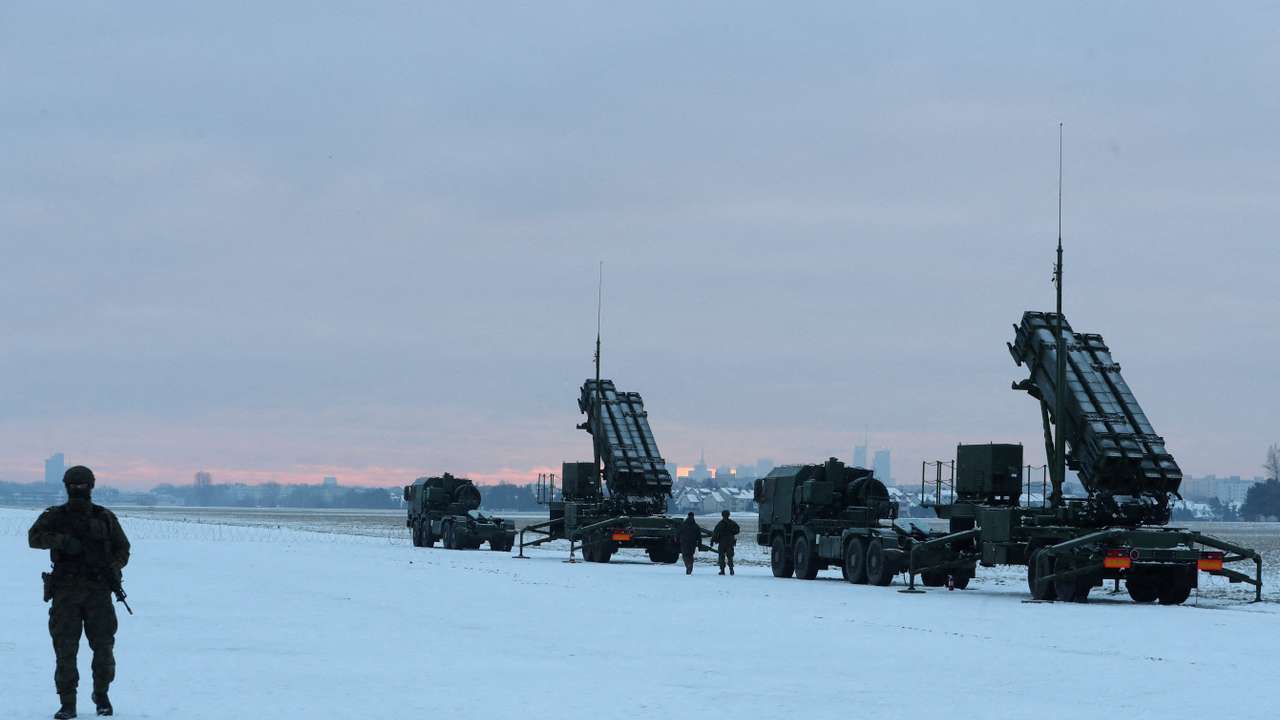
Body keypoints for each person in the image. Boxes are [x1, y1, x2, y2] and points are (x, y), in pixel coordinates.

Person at [28, 466, 131, 719]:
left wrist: (111, 568)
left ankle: (102, 695)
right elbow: (34, 538)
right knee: (65, 650)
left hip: (98, 592)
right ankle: (68, 702)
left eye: (82, 485)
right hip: (66, 593)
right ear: (67, 487)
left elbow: (123, 549)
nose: (79, 490)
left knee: (104, 648)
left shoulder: (104, 517)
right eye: (75, 485)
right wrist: (63, 542)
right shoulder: (55, 516)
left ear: (91, 486)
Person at [710, 510, 740, 575]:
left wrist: (712, 541)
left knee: (721, 557)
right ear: (728, 515)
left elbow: (715, 533)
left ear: (722, 515)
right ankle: (731, 570)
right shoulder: (732, 523)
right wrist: (732, 532)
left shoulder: (720, 524)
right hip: (730, 542)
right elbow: (737, 530)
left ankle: (722, 570)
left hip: (722, 542)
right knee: (730, 557)